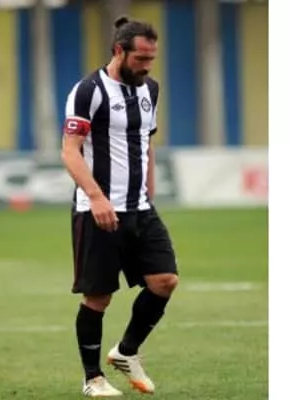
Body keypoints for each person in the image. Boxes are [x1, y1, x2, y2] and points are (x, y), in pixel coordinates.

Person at [60, 15, 180, 397]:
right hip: (97, 210)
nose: (146, 66)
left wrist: (150, 188)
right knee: (99, 297)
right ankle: (92, 378)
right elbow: (70, 151)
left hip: (140, 207)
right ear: (119, 50)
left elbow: (146, 140)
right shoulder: (88, 91)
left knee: (165, 281)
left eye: (151, 59)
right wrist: (96, 197)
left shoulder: (150, 89)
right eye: (140, 58)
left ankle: (126, 352)